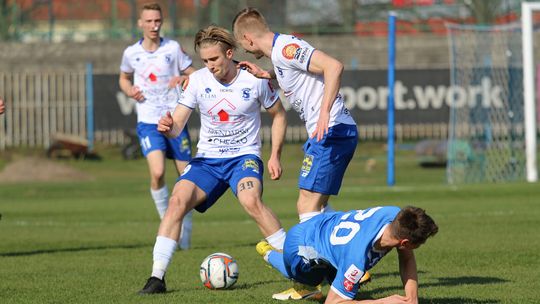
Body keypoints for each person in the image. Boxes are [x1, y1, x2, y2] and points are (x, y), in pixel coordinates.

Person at [138, 25, 288, 294]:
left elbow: (278, 115)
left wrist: (275, 154)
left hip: (243, 158)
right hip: (207, 160)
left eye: (214, 59)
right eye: (205, 60)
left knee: (251, 200)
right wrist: (168, 125)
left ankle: (298, 265)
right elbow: (177, 125)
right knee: (176, 201)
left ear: (229, 53)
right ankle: (156, 278)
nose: (209, 66)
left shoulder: (253, 80)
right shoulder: (197, 81)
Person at [232, 7, 363, 299]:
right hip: (332, 133)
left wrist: (324, 113)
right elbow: (300, 77)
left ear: (247, 38)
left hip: (331, 131)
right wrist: (267, 75)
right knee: (317, 209)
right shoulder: (279, 55)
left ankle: (318, 279)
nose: (246, 51)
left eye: (242, 45)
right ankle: (344, 267)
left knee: (306, 207)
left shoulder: (286, 49)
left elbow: (334, 67)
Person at [119, 3, 195, 250]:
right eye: (149, 21)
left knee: (187, 177)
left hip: (175, 121)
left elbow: (193, 72)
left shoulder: (172, 48)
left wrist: (185, 77)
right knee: (158, 172)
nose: (154, 25)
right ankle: (167, 221)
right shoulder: (132, 53)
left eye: (157, 21)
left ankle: (185, 229)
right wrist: (128, 89)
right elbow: (123, 77)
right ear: (140, 23)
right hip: (149, 122)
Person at [256, 206, 439, 303]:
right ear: (405, 242)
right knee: (310, 279)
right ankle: (269, 254)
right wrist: (385, 301)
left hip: (326, 230)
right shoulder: (356, 259)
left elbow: (406, 257)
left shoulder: (395, 215)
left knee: (348, 283)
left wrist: (412, 298)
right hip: (300, 244)